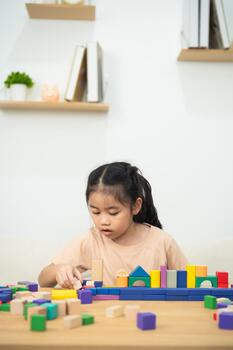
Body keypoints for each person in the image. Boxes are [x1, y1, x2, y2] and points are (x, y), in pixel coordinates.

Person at [38, 162, 188, 288]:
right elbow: (43, 279)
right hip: (106, 320)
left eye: (113, 212)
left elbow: (190, 283)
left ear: (135, 206)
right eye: (95, 212)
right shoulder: (91, 241)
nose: (103, 221)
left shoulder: (162, 242)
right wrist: (60, 270)